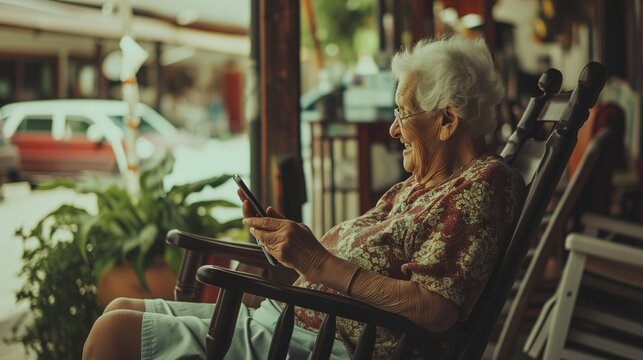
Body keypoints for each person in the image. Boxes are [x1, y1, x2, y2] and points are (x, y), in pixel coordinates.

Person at [83, 35, 525, 360]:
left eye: (403, 113)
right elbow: (352, 265)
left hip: (327, 345)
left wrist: (317, 263)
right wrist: (289, 251)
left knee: (114, 335)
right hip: (296, 323)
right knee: (120, 308)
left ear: (446, 121)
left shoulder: (482, 185)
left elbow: (435, 308)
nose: (394, 129)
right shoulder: (422, 184)